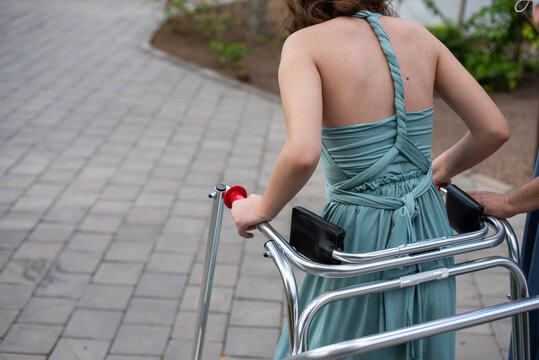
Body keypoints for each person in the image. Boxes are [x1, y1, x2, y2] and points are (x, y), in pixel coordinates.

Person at [231, 0, 510, 358]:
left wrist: (262, 207)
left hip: (360, 231)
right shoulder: (419, 36)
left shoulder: (305, 45)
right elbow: (494, 129)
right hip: (427, 224)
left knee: (334, 344)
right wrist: (435, 172)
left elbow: (302, 153)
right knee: (424, 334)